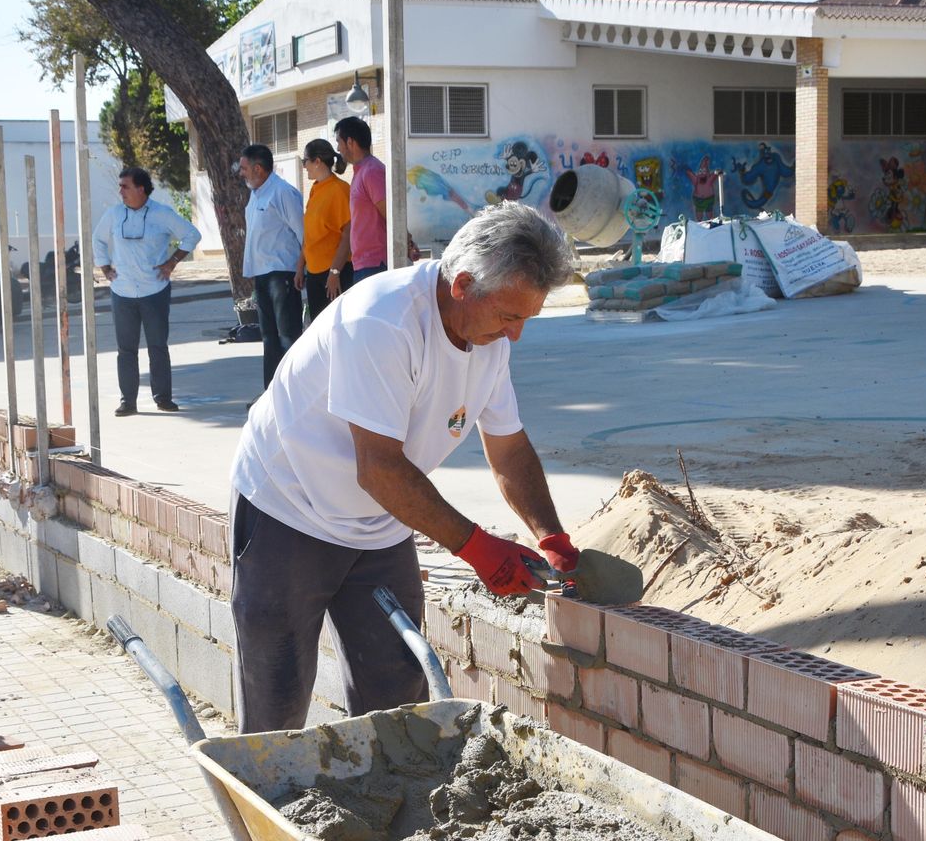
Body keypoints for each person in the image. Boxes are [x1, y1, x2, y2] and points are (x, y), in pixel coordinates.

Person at [227, 202, 581, 733]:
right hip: (289, 509)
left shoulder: (487, 339)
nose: (516, 336)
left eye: (525, 319)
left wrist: (549, 534)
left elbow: (508, 447)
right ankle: (267, 810)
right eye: (510, 317)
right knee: (276, 704)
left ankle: (387, 809)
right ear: (462, 285)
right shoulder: (382, 320)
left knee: (399, 699)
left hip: (380, 524)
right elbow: (380, 469)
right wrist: (477, 547)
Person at [91, 166, 201, 415]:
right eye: (120, 186)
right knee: (126, 349)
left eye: (125, 186)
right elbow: (97, 239)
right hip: (123, 291)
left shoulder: (162, 214)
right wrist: (105, 266)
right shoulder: (114, 214)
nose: (121, 192)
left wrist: (172, 262)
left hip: (155, 290)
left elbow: (192, 235)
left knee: (157, 346)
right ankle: (127, 401)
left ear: (141, 189)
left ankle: (163, 398)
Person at [239, 143, 305, 388]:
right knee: (269, 338)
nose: (241, 173)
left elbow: (303, 234)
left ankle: (294, 391)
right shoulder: (255, 194)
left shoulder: (282, 192)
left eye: (245, 168)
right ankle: (271, 395)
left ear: (258, 168)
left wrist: (300, 269)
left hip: (283, 272)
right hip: (263, 274)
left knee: (288, 336)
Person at [332, 116, 418, 284]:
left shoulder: (371, 171)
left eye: (339, 142)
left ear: (350, 142)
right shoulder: (362, 171)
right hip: (366, 265)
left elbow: (392, 215)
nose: (338, 148)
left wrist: (407, 243)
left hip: (376, 265)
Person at [294, 138, 352, 325]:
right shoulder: (315, 189)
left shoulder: (340, 190)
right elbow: (310, 233)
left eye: (305, 161)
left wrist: (334, 272)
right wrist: (300, 266)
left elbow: (347, 235)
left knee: (335, 329)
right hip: (314, 272)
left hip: (334, 272)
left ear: (317, 161)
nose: (304, 167)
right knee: (318, 328)